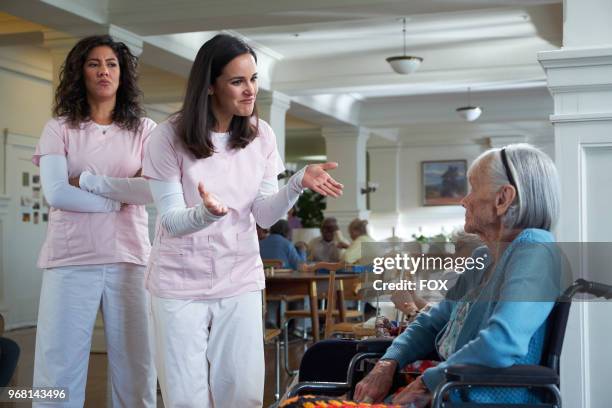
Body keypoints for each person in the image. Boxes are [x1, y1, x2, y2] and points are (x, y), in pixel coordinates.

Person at [142, 34, 343, 407]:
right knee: (186, 397)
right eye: (237, 81)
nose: (250, 90)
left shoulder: (260, 134)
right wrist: (206, 213)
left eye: (253, 79)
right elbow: (169, 221)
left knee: (242, 393)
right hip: (178, 283)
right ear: (209, 86)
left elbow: (264, 214)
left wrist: (297, 182)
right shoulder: (166, 136)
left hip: (238, 277)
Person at [354, 144, 562, 406]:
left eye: (473, 188)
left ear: (503, 199)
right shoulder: (483, 257)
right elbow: (431, 320)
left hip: (475, 399)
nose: (464, 200)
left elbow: (501, 343)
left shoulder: (534, 248)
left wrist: (426, 383)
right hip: (449, 392)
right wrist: (387, 362)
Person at [32, 35, 157, 407]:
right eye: (94, 64)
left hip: (130, 258)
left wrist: (88, 183)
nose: (104, 71)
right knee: (57, 364)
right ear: (79, 73)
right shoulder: (59, 128)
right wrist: (115, 201)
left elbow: (150, 191)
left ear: (123, 74)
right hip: (71, 259)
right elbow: (56, 193)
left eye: (112, 64)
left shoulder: (145, 131)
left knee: (138, 364)